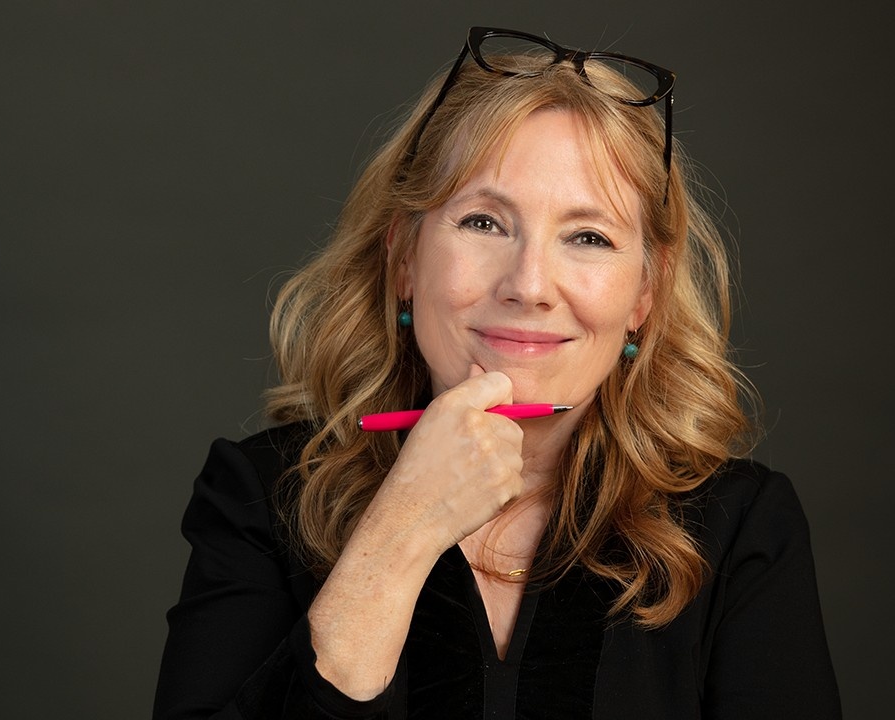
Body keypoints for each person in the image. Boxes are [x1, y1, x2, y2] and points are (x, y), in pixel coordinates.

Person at [153, 26, 840, 719]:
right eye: (484, 223)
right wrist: (400, 531)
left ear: (644, 294)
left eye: (589, 237)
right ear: (404, 258)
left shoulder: (739, 525)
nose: (529, 285)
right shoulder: (262, 497)